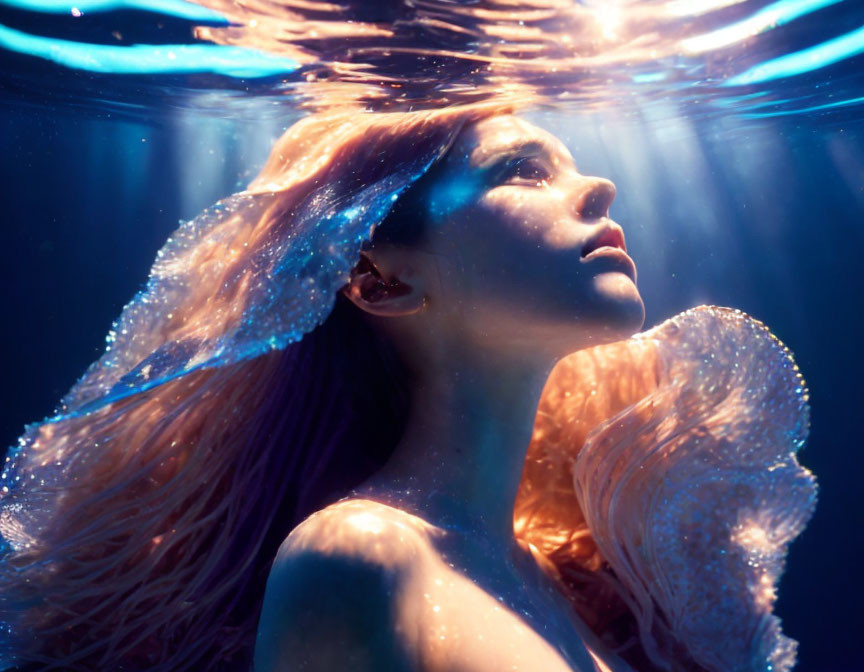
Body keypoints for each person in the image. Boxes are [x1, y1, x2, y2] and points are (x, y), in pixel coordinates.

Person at [0, 106, 815, 672]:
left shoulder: (553, 575)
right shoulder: (359, 559)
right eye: (523, 171)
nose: (598, 187)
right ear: (377, 279)